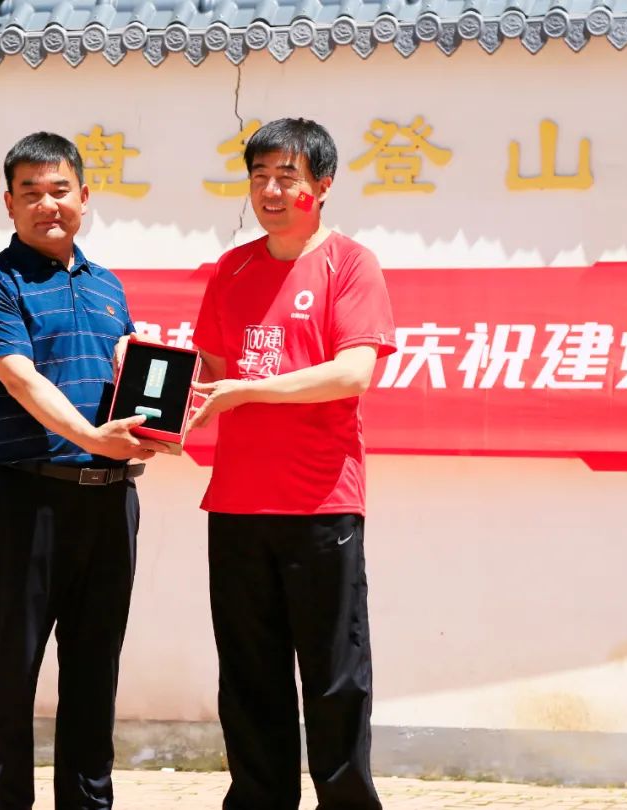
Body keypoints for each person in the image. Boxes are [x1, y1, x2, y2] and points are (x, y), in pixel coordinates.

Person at [189, 117, 397, 810]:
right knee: (249, 680)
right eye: (260, 177)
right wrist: (153, 387)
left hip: (321, 504)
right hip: (236, 505)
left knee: (335, 678)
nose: (271, 191)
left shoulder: (350, 263)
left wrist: (249, 391)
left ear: (322, 185)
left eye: (288, 176)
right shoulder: (232, 269)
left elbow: (353, 372)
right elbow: (210, 376)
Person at [0, 131, 166, 810]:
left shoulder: (107, 286)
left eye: (60, 190)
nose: (48, 204)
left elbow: (126, 382)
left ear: (84, 196)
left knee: (94, 667)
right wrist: (92, 437)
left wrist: (154, 420)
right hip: (29, 499)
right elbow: (21, 380)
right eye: (31, 193)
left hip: (111, 503)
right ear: (9, 203)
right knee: (12, 667)